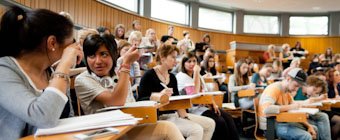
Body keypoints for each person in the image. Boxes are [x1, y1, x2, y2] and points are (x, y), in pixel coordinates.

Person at [74, 34, 184, 140]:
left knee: (171, 127)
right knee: (168, 129)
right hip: (108, 133)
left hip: (130, 127)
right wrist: (126, 65)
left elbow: (131, 103)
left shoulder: (117, 74)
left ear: (113, 55)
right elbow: (116, 101)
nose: (98, 61)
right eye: (92, 56)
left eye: (103, 54)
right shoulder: (82, 79)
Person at [0, 6, 83, 139]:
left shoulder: (51, 72)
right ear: (52, 43)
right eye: (71, 44)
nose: (75, 49)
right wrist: (65, 64)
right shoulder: (3, 69)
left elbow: (68, 118)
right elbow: (43, 117)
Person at [138, 45, 216, 140]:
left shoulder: (172, 77)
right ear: (162, 58)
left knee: (210, 124)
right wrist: (158, 96)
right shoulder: (148, 75)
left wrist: (185, 116)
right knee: (197, 130)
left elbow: (177, 99)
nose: (176, 60)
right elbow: (140, 100)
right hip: (160, 116)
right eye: (173, 57)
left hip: (175, 115)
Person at [176, 52, 239, 140]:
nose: (192, 64)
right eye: (189, 61)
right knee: (220, 122)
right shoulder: (181, 76)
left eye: (194, 61)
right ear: (183, 63)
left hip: (203, 106)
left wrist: (213, 103)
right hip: (192, 109)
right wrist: (197, 72)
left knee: (228, 117)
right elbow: (195, 93)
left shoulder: (199, 76)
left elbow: (205, 93)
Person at [259, 68, 331, 140]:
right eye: (296, 85)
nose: (296, 89)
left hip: (283, 121)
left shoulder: (287, 92)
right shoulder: (274, 88)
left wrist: (309, 126)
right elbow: (266, 109)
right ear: (288, 79)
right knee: (306, 136)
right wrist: (290, 107)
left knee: (314, 128)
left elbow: (294, 108)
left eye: (299, 87)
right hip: (271, 126)